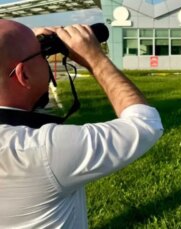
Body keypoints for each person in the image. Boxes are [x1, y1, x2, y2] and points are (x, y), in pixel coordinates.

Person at [0, 19, 163, 228]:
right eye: (42, 55)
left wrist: (20, 43)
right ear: (24, 75)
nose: (47, 60)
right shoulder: (39, 151)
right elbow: (145, 124)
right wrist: (95, 59)